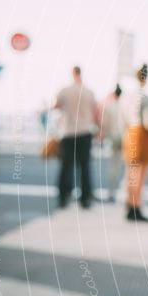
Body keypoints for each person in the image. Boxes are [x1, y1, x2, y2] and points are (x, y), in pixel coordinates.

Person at [53, 65, 99, 208]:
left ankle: (63, 197)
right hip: (85, 132)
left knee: (66, 167)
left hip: (67, 132)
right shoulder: (89, 92)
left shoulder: (64, 91)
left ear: (72, 74)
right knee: (84, 167)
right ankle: (85, 199)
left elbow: (55, 106)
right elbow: (95, 112)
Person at [119, 64, 148, 222]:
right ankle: (136, 207)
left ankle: (129, 206)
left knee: (130, 174)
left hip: (129, 134)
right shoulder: (145, 97)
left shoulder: (126, 96)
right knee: (140, 175)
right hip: (141, 136)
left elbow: (122, 119)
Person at [99, 84, 123, 203]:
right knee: (125, 167)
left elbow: (104, 124)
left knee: (113, 167)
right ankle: (125, 192)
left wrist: (104, 136)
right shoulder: (124, 106)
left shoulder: (109, 106)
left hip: (113, 139)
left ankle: (111, 193)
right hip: (124, 139)